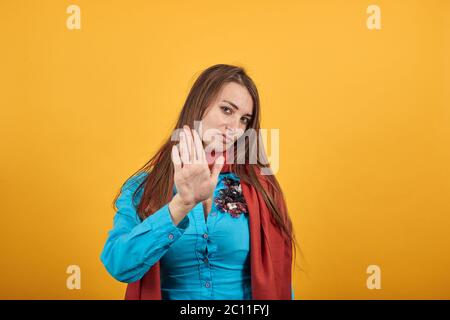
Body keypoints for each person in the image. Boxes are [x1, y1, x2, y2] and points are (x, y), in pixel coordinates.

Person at [100, 64, 297, 300]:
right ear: (199, 105)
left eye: (244, 119)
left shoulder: (262, 190)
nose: (235, 128)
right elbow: (119, 265)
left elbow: (280, 282)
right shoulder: (143, 188)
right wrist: (181, 204)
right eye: (226, 110)